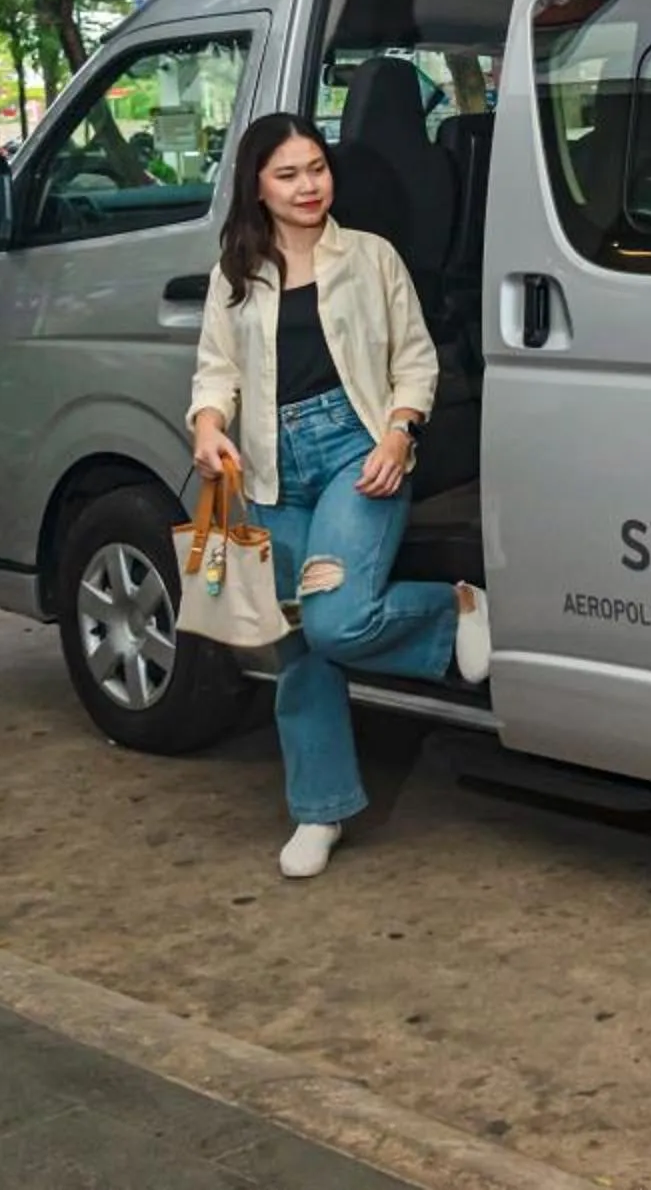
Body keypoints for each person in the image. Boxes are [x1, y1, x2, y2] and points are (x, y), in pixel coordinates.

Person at [187, 111, 491, 880]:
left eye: (316, 168)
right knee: (299, 646)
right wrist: (207, 423)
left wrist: (398, 435)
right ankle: (319, 809)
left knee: (338, 620)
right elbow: (214, 368)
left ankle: (451, 603)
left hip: (357, 451)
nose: (307, 186)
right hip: (268, 466)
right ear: (256, 185)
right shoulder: (237, 269)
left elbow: (416, 360)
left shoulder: (370, 257)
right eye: (287, 174)